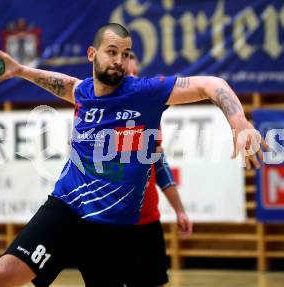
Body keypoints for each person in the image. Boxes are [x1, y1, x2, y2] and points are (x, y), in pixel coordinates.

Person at [0, 23, 266, 287]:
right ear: (93, 54)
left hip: (113, 228)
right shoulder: (83, 93)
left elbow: (211, 84)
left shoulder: (145, 92)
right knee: (5, 272)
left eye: (125, 54)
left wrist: (239, 122)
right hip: (66, 209)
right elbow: (61, 84)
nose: (119, 60)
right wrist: (19, 70)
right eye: (111, 51)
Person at [128, 52, 192, 287]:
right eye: (128, 75)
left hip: (147, 221)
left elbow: (160, 167)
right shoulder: (100, 114)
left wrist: (180, 210)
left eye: (136, 74)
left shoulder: (149, 115)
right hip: (112, 223)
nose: (133, 79)